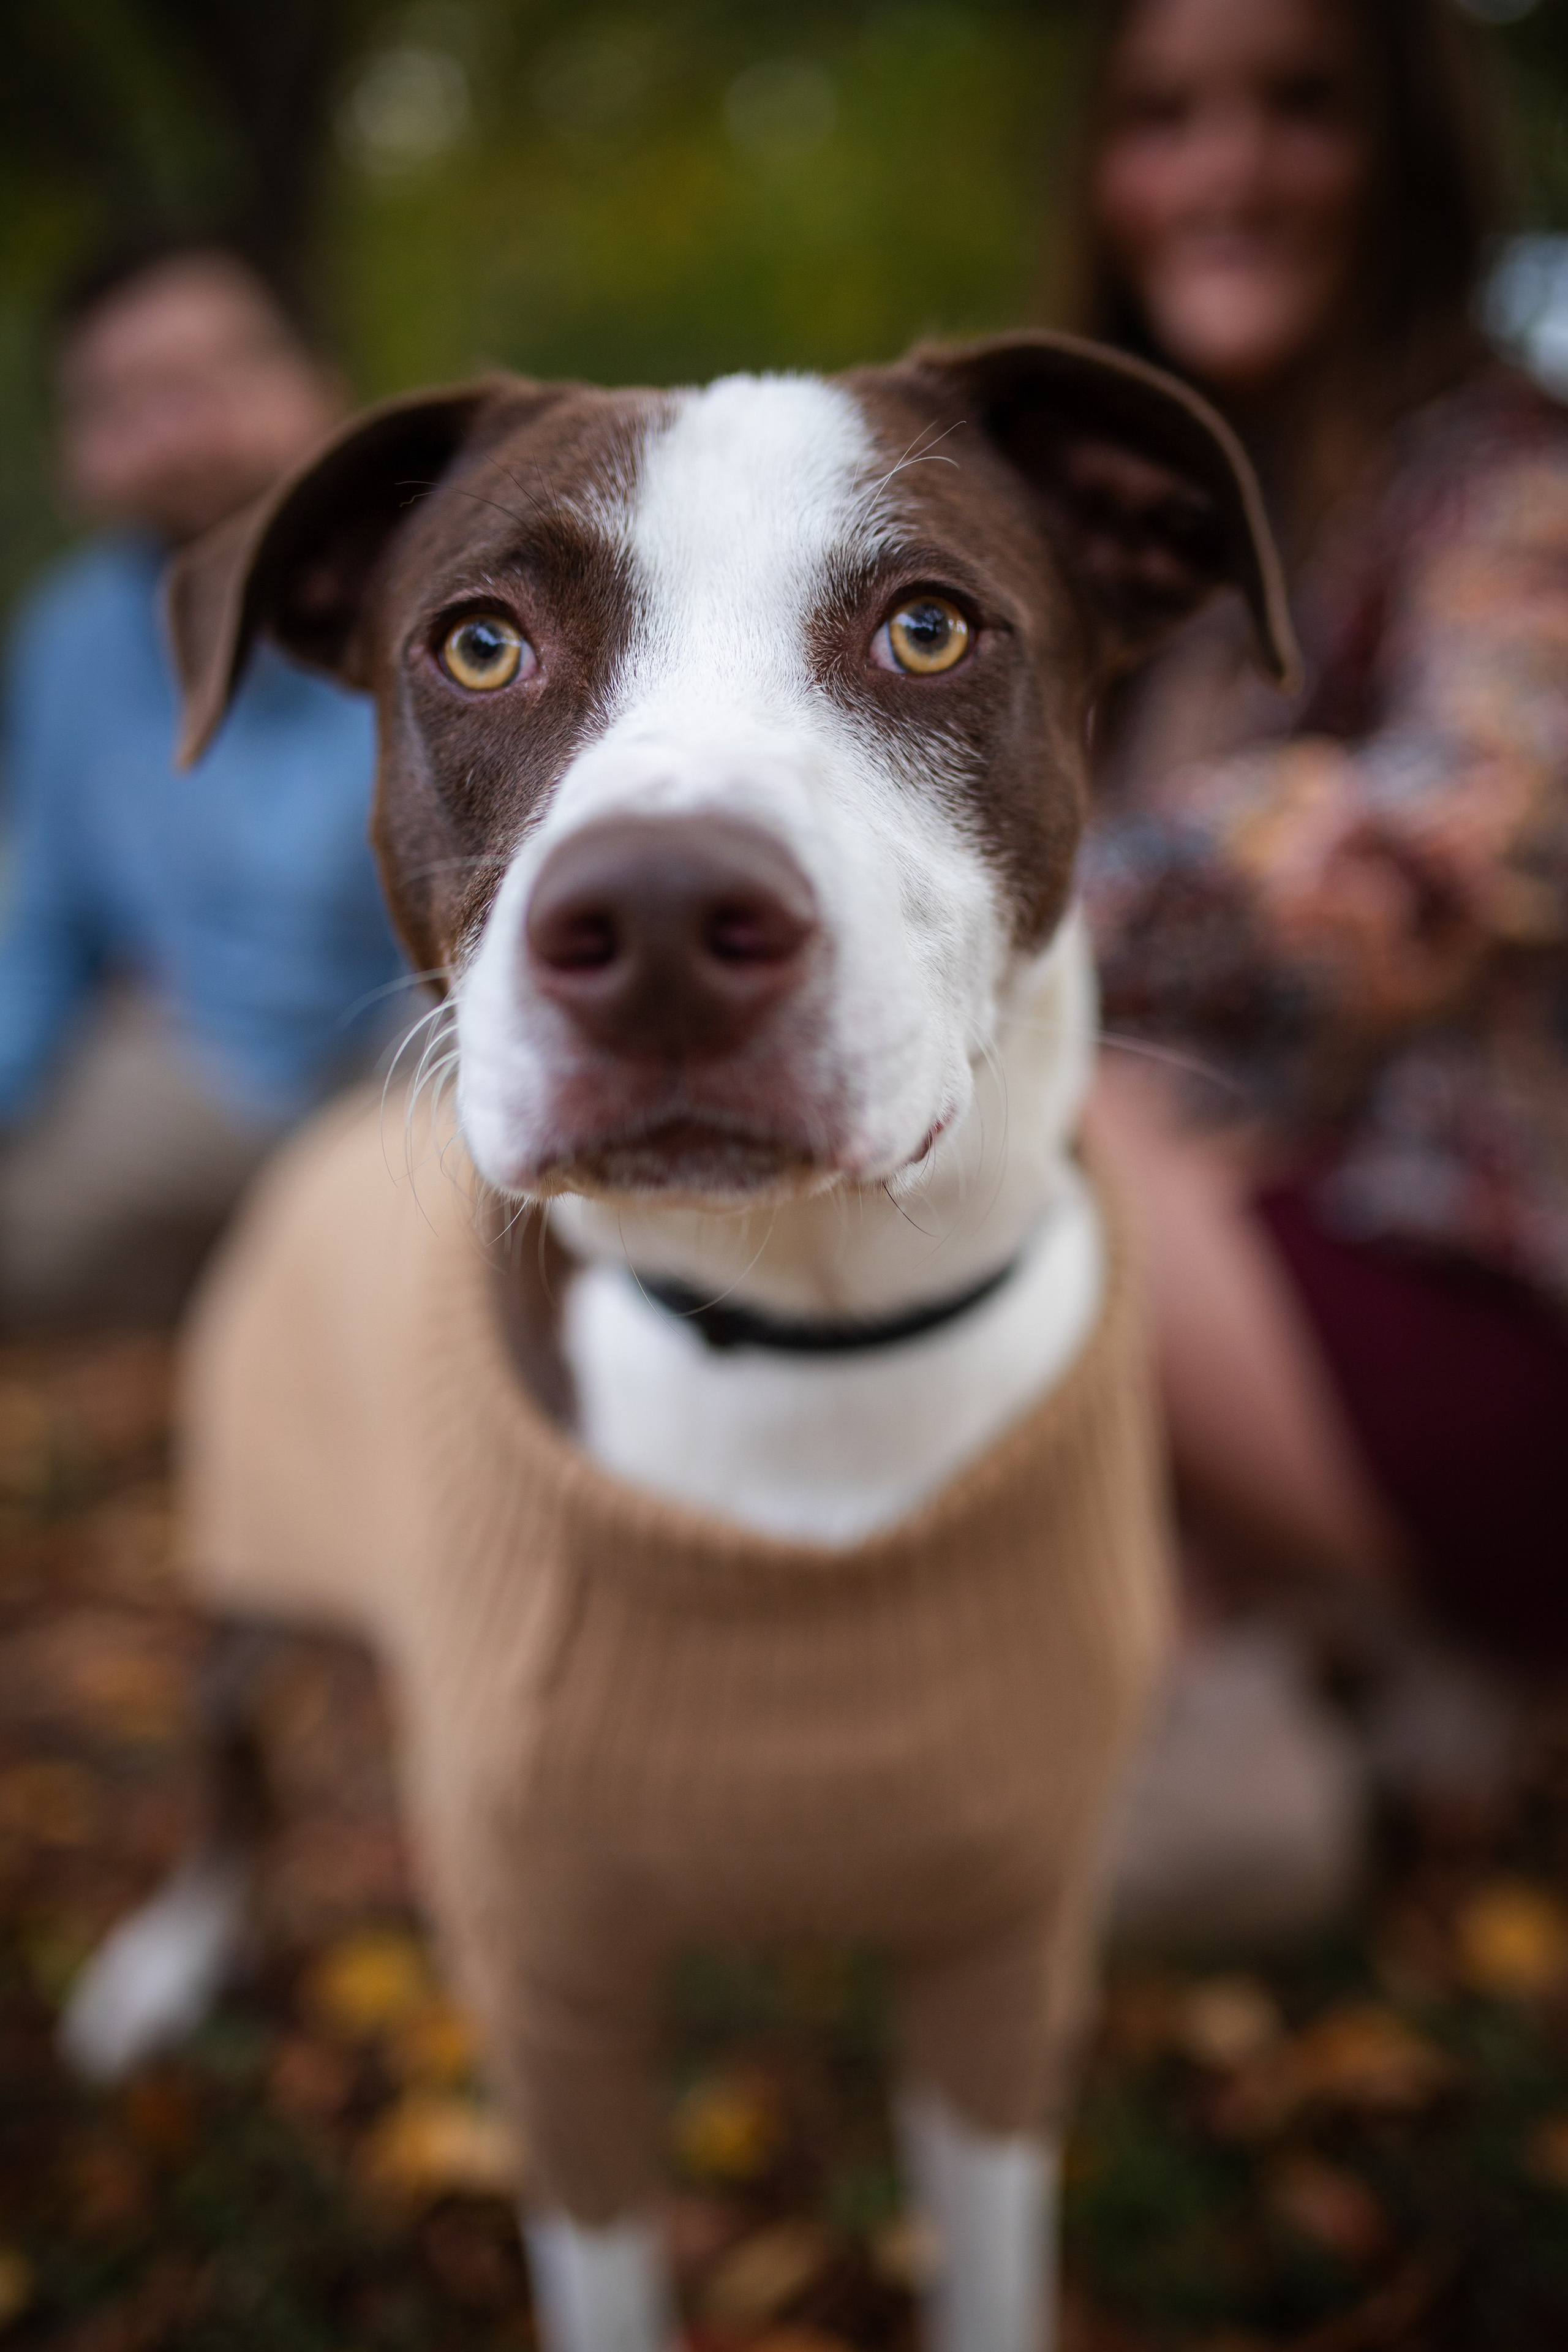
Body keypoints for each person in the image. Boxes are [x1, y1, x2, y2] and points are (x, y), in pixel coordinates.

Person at [1064, 0, 1568, 1923]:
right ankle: (1248, 1662)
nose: (1227, 171)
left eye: (1302, 107)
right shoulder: (1164, 535)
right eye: (1165, 116)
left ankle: (1287, 1687)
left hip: (1485, 1324)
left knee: (979, 1083)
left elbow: (1448, 837)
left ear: (1411, 155)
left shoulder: (1509, 484)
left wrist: (991, 893)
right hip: (1267, 1263)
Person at [0, 237, 407, 1324]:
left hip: (419, 1058)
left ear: (316, 383)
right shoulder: (70, 643)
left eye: (205, 382)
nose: (175, 434)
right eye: (123, 404)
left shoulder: (448, 584)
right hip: (201, 1063)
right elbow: (42, 916)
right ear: (74, 447)